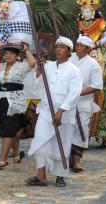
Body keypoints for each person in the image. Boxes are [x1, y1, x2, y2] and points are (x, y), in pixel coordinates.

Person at [27, 36, 82, 187]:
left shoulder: (74, 70)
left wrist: (61, 111)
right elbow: (37, 84)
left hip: (64, 113)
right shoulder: (48, 66)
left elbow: (74, 93)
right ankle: (41, 175)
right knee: (40, 139)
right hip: (45, 110)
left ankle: (60, 176)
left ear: (69, 51)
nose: (58, 49)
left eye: (62, 47)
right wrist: (39, 68)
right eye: (57, 46)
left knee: (62, 143)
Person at [77, 0, 106, 148]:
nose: (85, 12)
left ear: (93, 10)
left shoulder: (101, 22)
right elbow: (79, 35)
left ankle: (104, 136)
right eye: (83, 10)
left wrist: (96, 43)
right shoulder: (81, 23)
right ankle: (82, 135)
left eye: (88, 10)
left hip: (99, 52)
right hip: (84, 51)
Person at [0, 44, 36, 168]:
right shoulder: (0, 67)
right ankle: (17, 152)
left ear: (17, 56)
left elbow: (32, 62)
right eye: (6, 53)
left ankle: (3, 158)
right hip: (1, 99)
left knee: (9, 128)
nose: (8, 55)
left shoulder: (21, 66)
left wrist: (26, 49)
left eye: (11, 53)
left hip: (15, 101)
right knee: (6, 127)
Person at [69, 36, 103, 172]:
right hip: (66, 102)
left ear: (88, 49)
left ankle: (77, 158)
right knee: (67, 128)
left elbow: (96, 85)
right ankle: (67, 157)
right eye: (77, 45)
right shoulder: (69, 58)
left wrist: (78, 93)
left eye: (81, 45)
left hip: (83, 103)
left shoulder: (93, 64)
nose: (78, 47)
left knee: (81, 129)